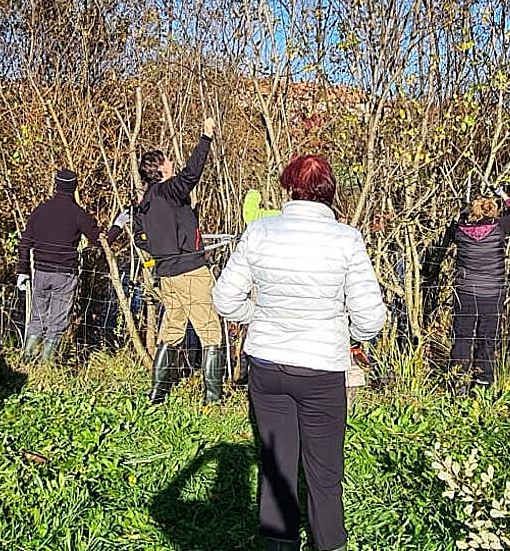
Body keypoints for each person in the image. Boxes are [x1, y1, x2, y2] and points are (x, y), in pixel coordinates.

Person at [213, 155, 387, 551]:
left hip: (267, 366)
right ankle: (330, 544)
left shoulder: (260, 231)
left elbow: (225, 298)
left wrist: (256, 316)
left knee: (276, 467)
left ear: (288, 188)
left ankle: (280, 544)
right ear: (330, 190)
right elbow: (371, 317)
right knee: (324, 472)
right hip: (322, 370)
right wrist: (351, 336)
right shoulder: (346, 239)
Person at [136, 117, 223, 404]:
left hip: (167, 275)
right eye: (167, 161)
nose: (171, 163)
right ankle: (213, 400)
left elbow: (140, 238)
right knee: (211, 332)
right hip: (190, 271)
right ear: (159, 169)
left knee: (172, 330)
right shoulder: (167, 190)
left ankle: (156, 396)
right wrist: (206, 137)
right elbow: (191, 174)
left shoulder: (145, 202)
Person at [16, 168, 114, 363]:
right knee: (57, 322)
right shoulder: (77, 214)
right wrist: (118, 226)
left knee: (37, 318)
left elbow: (25, 242)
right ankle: (45, 366)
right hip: (64, 274)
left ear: (56, 185)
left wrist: (23, 270)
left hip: (41, 272)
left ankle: (27, 362)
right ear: (74, 188)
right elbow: (99, 241)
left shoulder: (40, 211)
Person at [437, 187, 510, 390]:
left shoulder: (459, 230)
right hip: (492, 294)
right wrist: (503, 195)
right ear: (493, 210)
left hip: (465, 293)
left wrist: (463, 210)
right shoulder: (500, 227)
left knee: (462, 337)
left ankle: (457, 383)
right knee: (487, 338)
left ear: (472, 210)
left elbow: (451, 229)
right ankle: (483, 382)